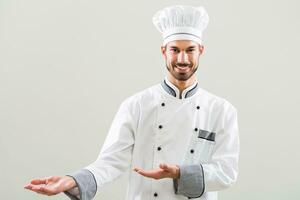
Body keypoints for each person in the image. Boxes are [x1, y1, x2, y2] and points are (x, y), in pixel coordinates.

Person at [24, 5, 239, 200]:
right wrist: (73, 181)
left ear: (201, 50)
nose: (182, 59)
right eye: (175, 49)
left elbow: (226, 172)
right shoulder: (136, 105)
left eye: (190, 49)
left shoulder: (222, 110)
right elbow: (111, 161)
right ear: (163, 51)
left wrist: (179, 173)